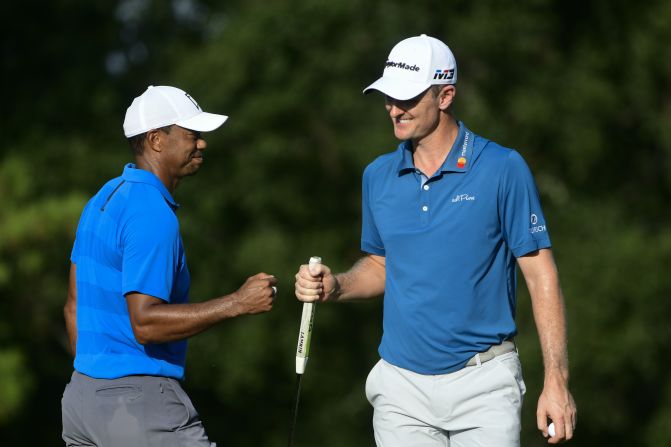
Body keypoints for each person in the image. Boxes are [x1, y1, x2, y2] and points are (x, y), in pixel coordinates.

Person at [294, 35, 576, 446]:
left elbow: (540, 275)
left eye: (406, 98)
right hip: (401, 388)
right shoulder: (377, 176)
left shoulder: (502, 168)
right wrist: (335, 285)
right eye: (388, 97)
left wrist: (556, 381)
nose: (394, 109)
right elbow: (381, 265)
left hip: (484, 383)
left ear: (445, 96)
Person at [62, 85, 278, 447]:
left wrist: (99, 382)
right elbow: (145, 323)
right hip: (139, 407)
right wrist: (237, 303)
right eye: (192, 134)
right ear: (156, 140)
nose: (202, 144)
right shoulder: (150, 212)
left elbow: (72, 307)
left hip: (82, 401)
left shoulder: (102, 199)